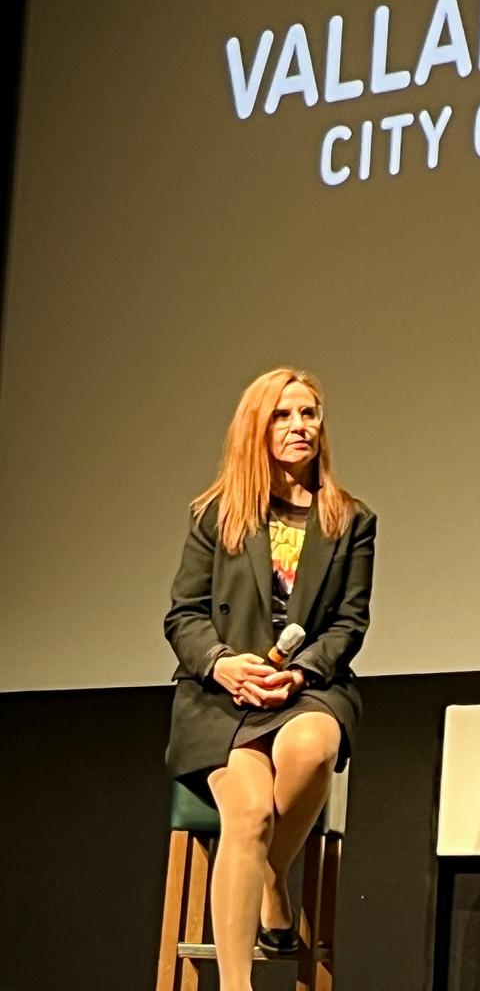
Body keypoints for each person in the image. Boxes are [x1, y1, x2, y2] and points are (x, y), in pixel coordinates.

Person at [164, 368, 376, 991]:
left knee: (313, 746)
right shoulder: (217, 515)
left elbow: (349, 622)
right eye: (283, 415)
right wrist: (222, 662)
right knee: (251, 814)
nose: (299, 426)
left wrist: (301, 672)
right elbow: (183, 615)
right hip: (222, 696)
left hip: (307, 688)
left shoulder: (351, 519)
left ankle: (272, 877)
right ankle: (238, 984)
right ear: (256, 428)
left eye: (309, 413)